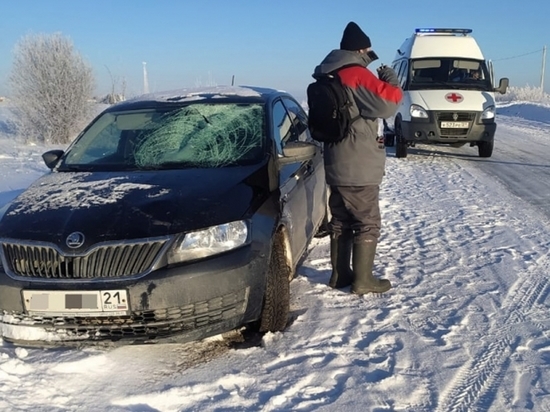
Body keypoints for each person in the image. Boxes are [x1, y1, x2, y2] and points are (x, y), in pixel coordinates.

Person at [312, 21, 402, 294]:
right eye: (368, 50)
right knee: (367, 222)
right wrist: (391, 80)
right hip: (358, 165)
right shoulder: (355, 74)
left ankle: (340, 276)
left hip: (336, 162)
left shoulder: (328, 73)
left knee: (341, 219)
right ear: (360, 49)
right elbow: (389, 103)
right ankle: (363, 281)